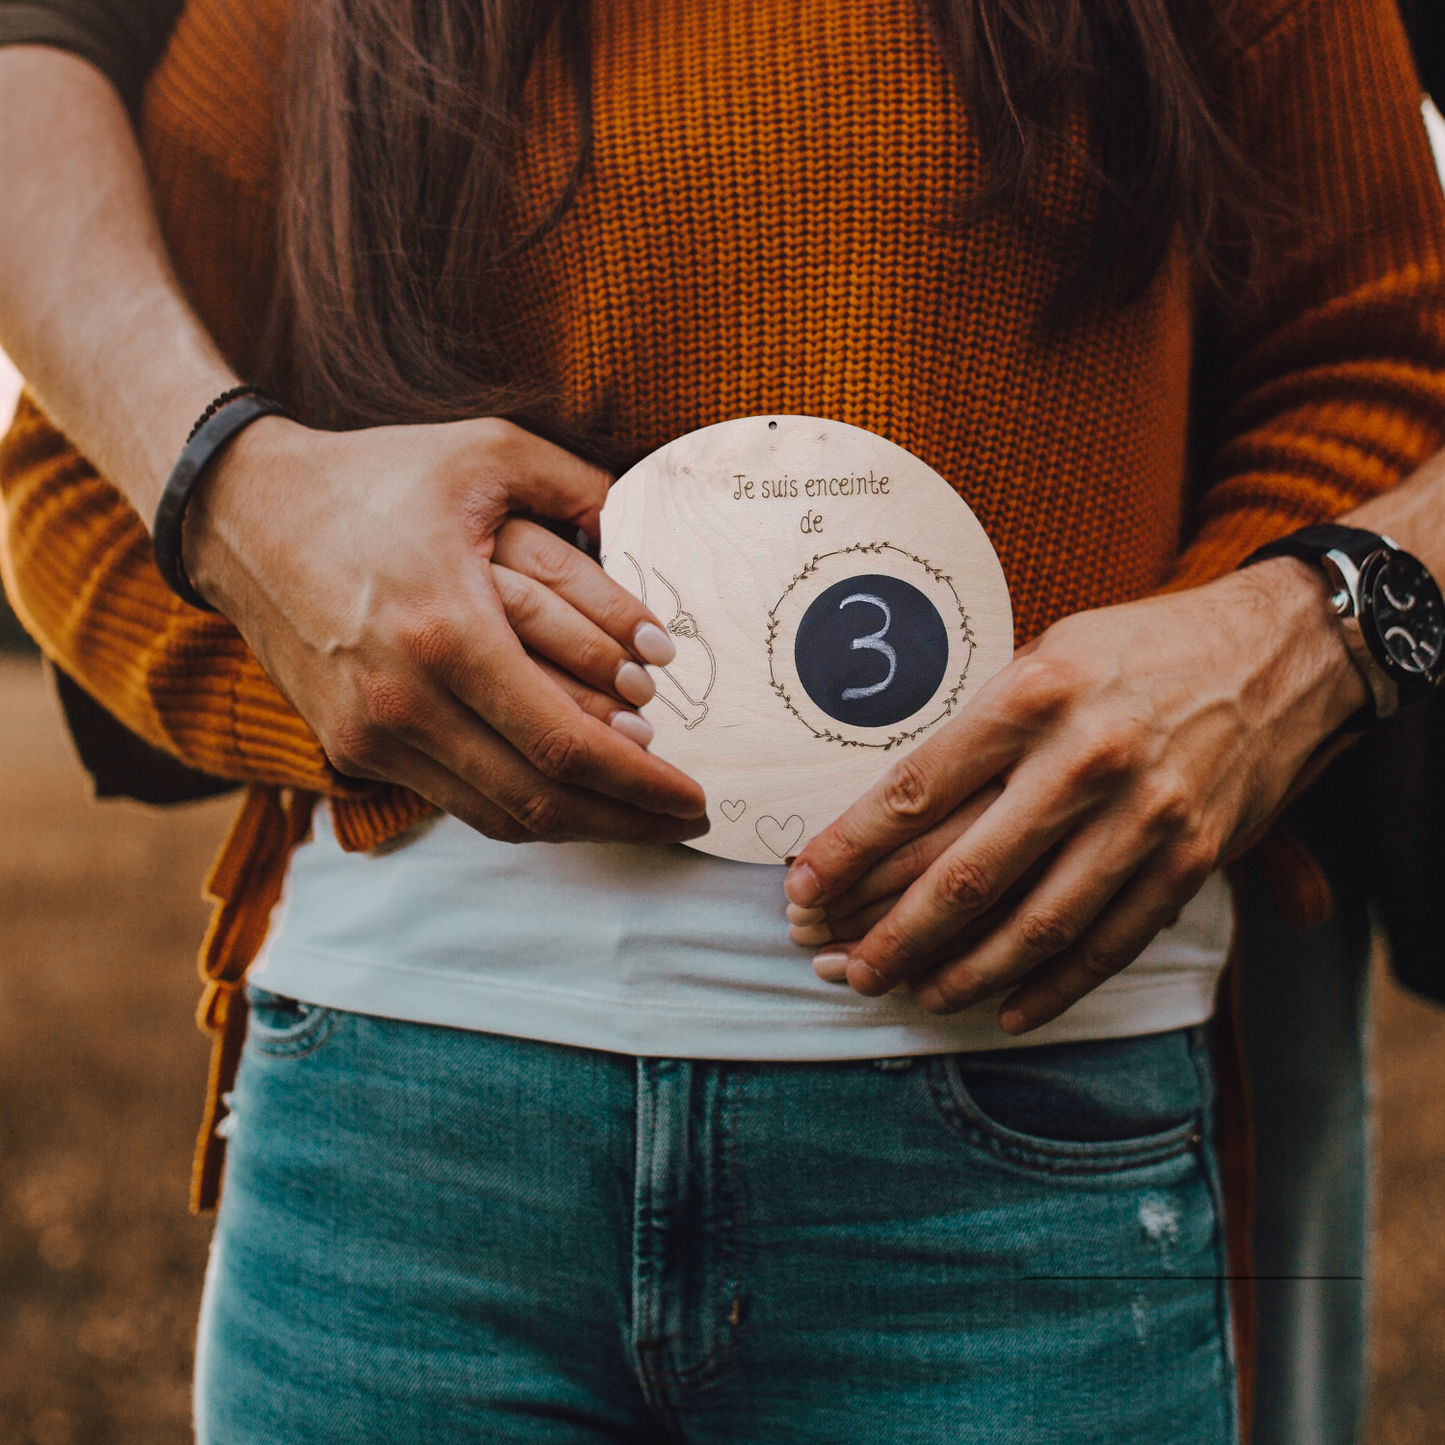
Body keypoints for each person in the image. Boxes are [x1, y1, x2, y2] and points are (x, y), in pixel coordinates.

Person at [2, 0, 1443, 1440]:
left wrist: (1260, 644)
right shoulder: (304, 27)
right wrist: (327, 651)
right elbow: (83, 466)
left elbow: (1373, 349)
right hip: (405, 1148)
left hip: (1026, 1117)